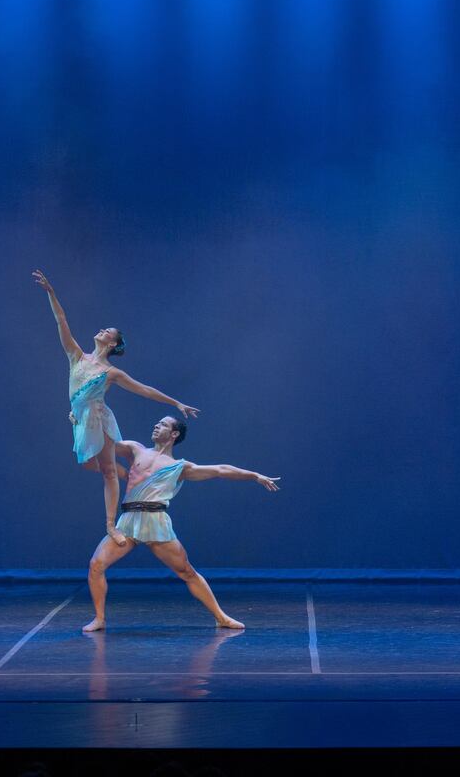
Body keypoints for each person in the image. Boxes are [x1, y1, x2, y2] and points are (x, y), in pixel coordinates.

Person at [33, 270, 200, 546]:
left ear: (111, 343)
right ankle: (129, 474)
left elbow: (144, 389)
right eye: (103, 329)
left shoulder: (111, 373)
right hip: (81, 420)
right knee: (89, 464)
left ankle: (111, 525)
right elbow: (61, 320)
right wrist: (51, 292)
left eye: (107, 332)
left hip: (99, 418)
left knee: (108, 472)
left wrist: (175, 402)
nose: (101, 331)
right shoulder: (77, 356)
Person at [82, 415, 280, 632]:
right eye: (157, 422)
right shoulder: (135, 449)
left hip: (156, 521)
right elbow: (103, 443)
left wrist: (254, 476)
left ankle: (221, 616)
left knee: (186, 571)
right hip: (128, 521)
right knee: (96, 564)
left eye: (163, 424)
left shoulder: (180, 467)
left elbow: (220, 470)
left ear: (174, 434)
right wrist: (82, 422)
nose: (156, 425)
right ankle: (100, 619)